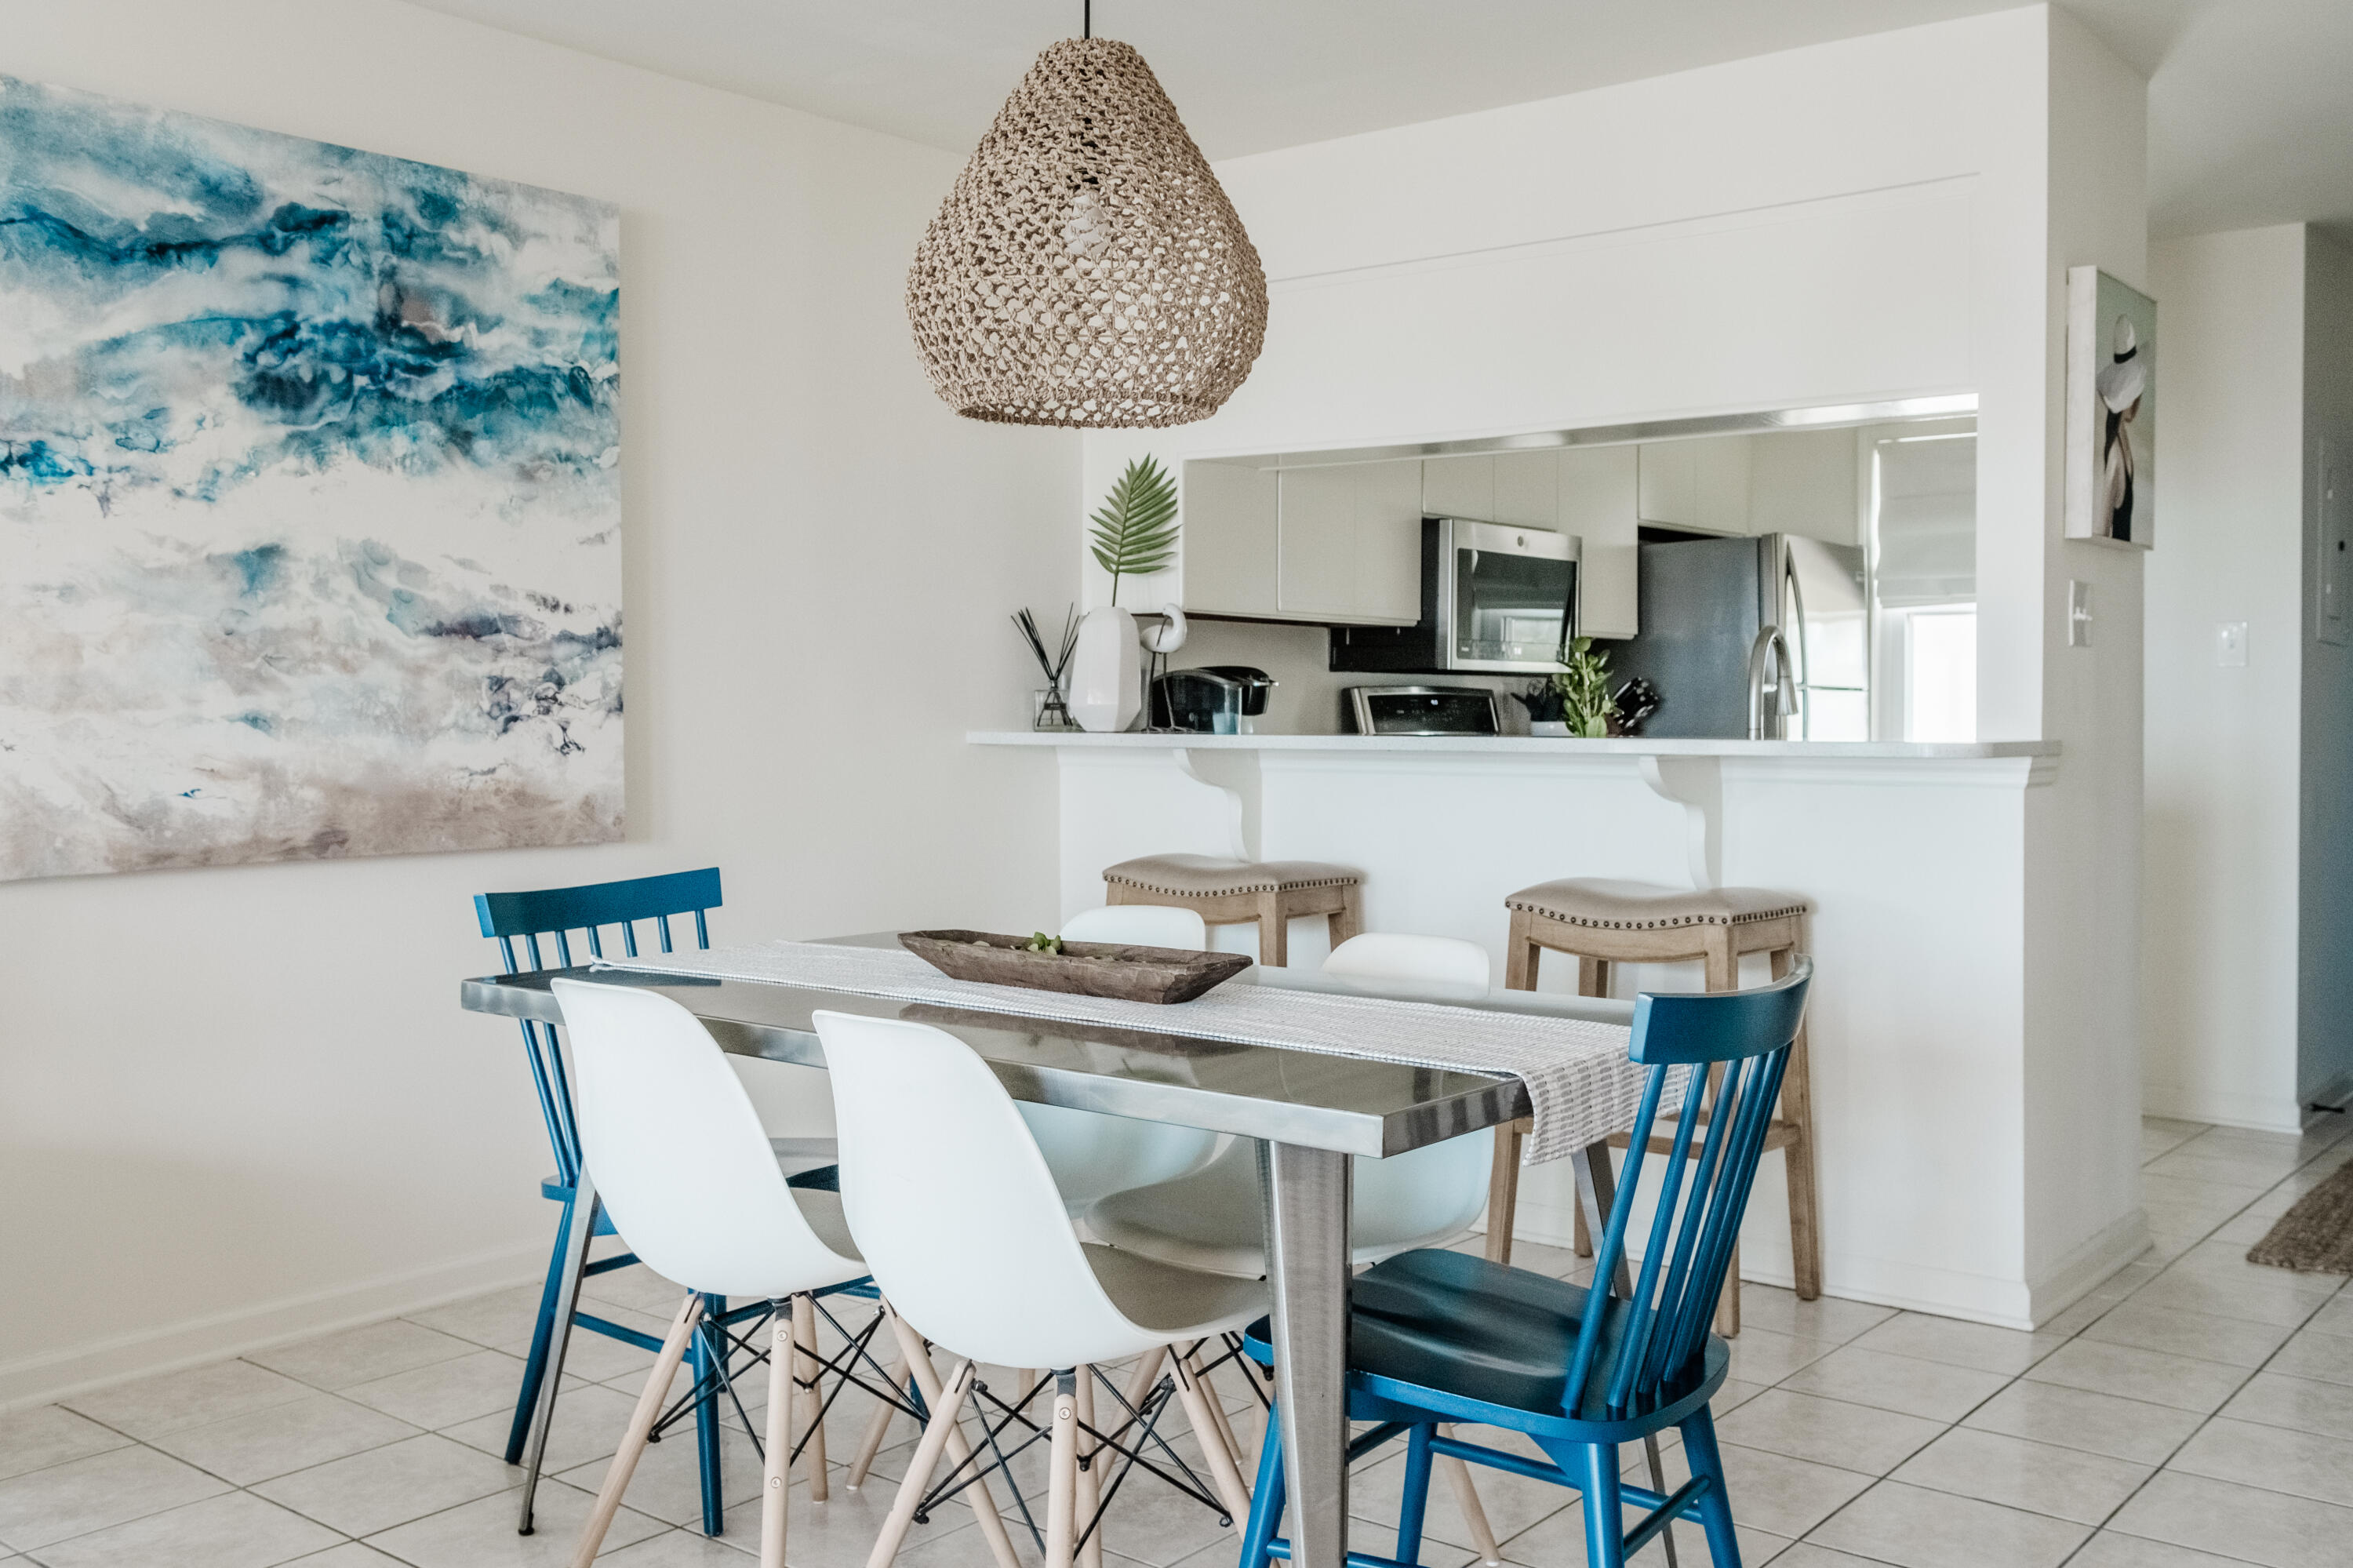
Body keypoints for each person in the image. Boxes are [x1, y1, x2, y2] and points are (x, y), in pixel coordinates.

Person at [2097, 314, 2146, 542]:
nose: (2139, 401)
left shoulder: (2122, 439)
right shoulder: (2116, 456)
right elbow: (2103, 527)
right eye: (2136, 394)